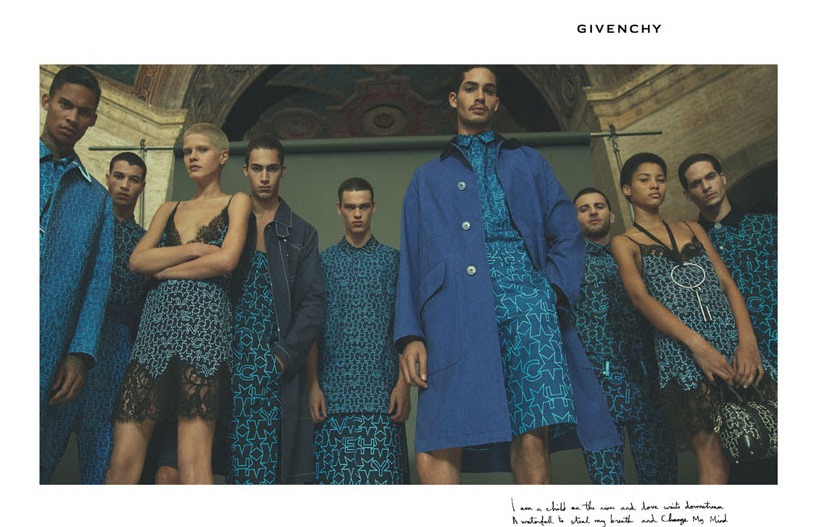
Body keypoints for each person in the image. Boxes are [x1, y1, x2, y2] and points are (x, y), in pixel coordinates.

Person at [394, 66, 618, 484]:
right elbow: (412, 259)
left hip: (528, 305)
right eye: (470, 88)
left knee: (531, 432)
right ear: (454, 99)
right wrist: (410, 335)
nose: (479, 96)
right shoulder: (426, 178)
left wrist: (550, 290)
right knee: (441, 435)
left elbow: (567, 233)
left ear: (497, 102)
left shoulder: (529, 162)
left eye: (488, 90)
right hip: (453, 310)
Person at [610, 153, 775, 484]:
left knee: (777, 432)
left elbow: (727, 284)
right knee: (714, 462)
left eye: (660, 178)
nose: (655, 185)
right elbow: (640, 299)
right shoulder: (623, 242)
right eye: (644, 179)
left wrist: (747, 342)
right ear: (627, 189)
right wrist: (697, 346)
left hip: (732, 342)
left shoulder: (693, 227)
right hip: (683, 354)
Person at [105, 123, 251, 484]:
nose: (192, 157)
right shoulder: (168, 208)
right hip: (153, 335)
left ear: (222, 156)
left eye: (201, 150)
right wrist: (195, 249)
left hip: (204, 337)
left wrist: (165, 270)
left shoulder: (237, 201)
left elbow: (226, 260)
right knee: (122, 462)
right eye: (187, 151)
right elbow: (138, 261)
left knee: (193, 463)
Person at [226, 136, 326, 484]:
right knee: (223, 467)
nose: (264, 177)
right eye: (257, 168)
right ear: (245, 170)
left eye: (271, 169)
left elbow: (313, 303)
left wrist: (282, 357)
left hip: (274, 365)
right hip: (227, 360)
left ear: (283, 171)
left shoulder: (302, 232)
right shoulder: (226, 223)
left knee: (272, 470)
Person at [678, 153, 778, 484]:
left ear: (722, 177)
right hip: (732, 361)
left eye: (710, 177)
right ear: (687, 194)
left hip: (778, 344)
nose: (705, 186)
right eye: (696, 183)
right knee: (748, 454)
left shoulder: (769, 226)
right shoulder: (689, 247)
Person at [308, 177, 410, 484]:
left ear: (373, 208)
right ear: (339, 208)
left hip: (382, 399)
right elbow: (311, 330)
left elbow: (406, 329)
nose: (357, 214)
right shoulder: (322, 263)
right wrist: (313, 386)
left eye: (363, 207)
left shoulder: (394, 262)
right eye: (350, 207)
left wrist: (403, 386)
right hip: (333, 399)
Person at [40, 66, 114, 483]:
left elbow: (98, 282)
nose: (72, 117)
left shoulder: (96, 198)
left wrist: (79, 354)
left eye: (83, 112)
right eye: (65, 105)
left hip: (50, 350)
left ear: (92, 120)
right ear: (46, 101)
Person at [572, 187, 676, 484]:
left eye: (599, 206)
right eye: (584, 208)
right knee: (607, 480)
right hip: (598, 386)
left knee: (661, 477)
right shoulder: (568, 264)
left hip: (647, 379)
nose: (593, 212)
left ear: (612, 214)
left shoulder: (634, 255)